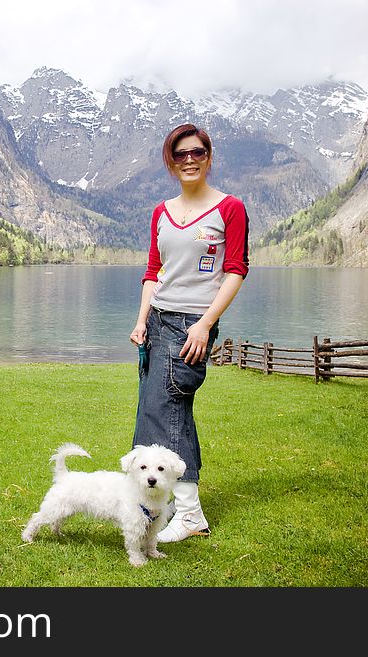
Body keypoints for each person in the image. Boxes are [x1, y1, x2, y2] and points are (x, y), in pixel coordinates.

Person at [129, 123, 249, 543]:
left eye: (197, 152)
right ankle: (163, 506)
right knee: (157, 413)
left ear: (209, 156)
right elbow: (152, 271)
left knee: (167, 415)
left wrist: (205, 323)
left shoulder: (229, 208)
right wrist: (142, 320)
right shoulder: (161, 212)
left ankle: (190, 513)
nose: (189, 160)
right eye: (180, 154)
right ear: (171, 161)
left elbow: (235, 270)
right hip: (158, 321)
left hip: (190, 325)